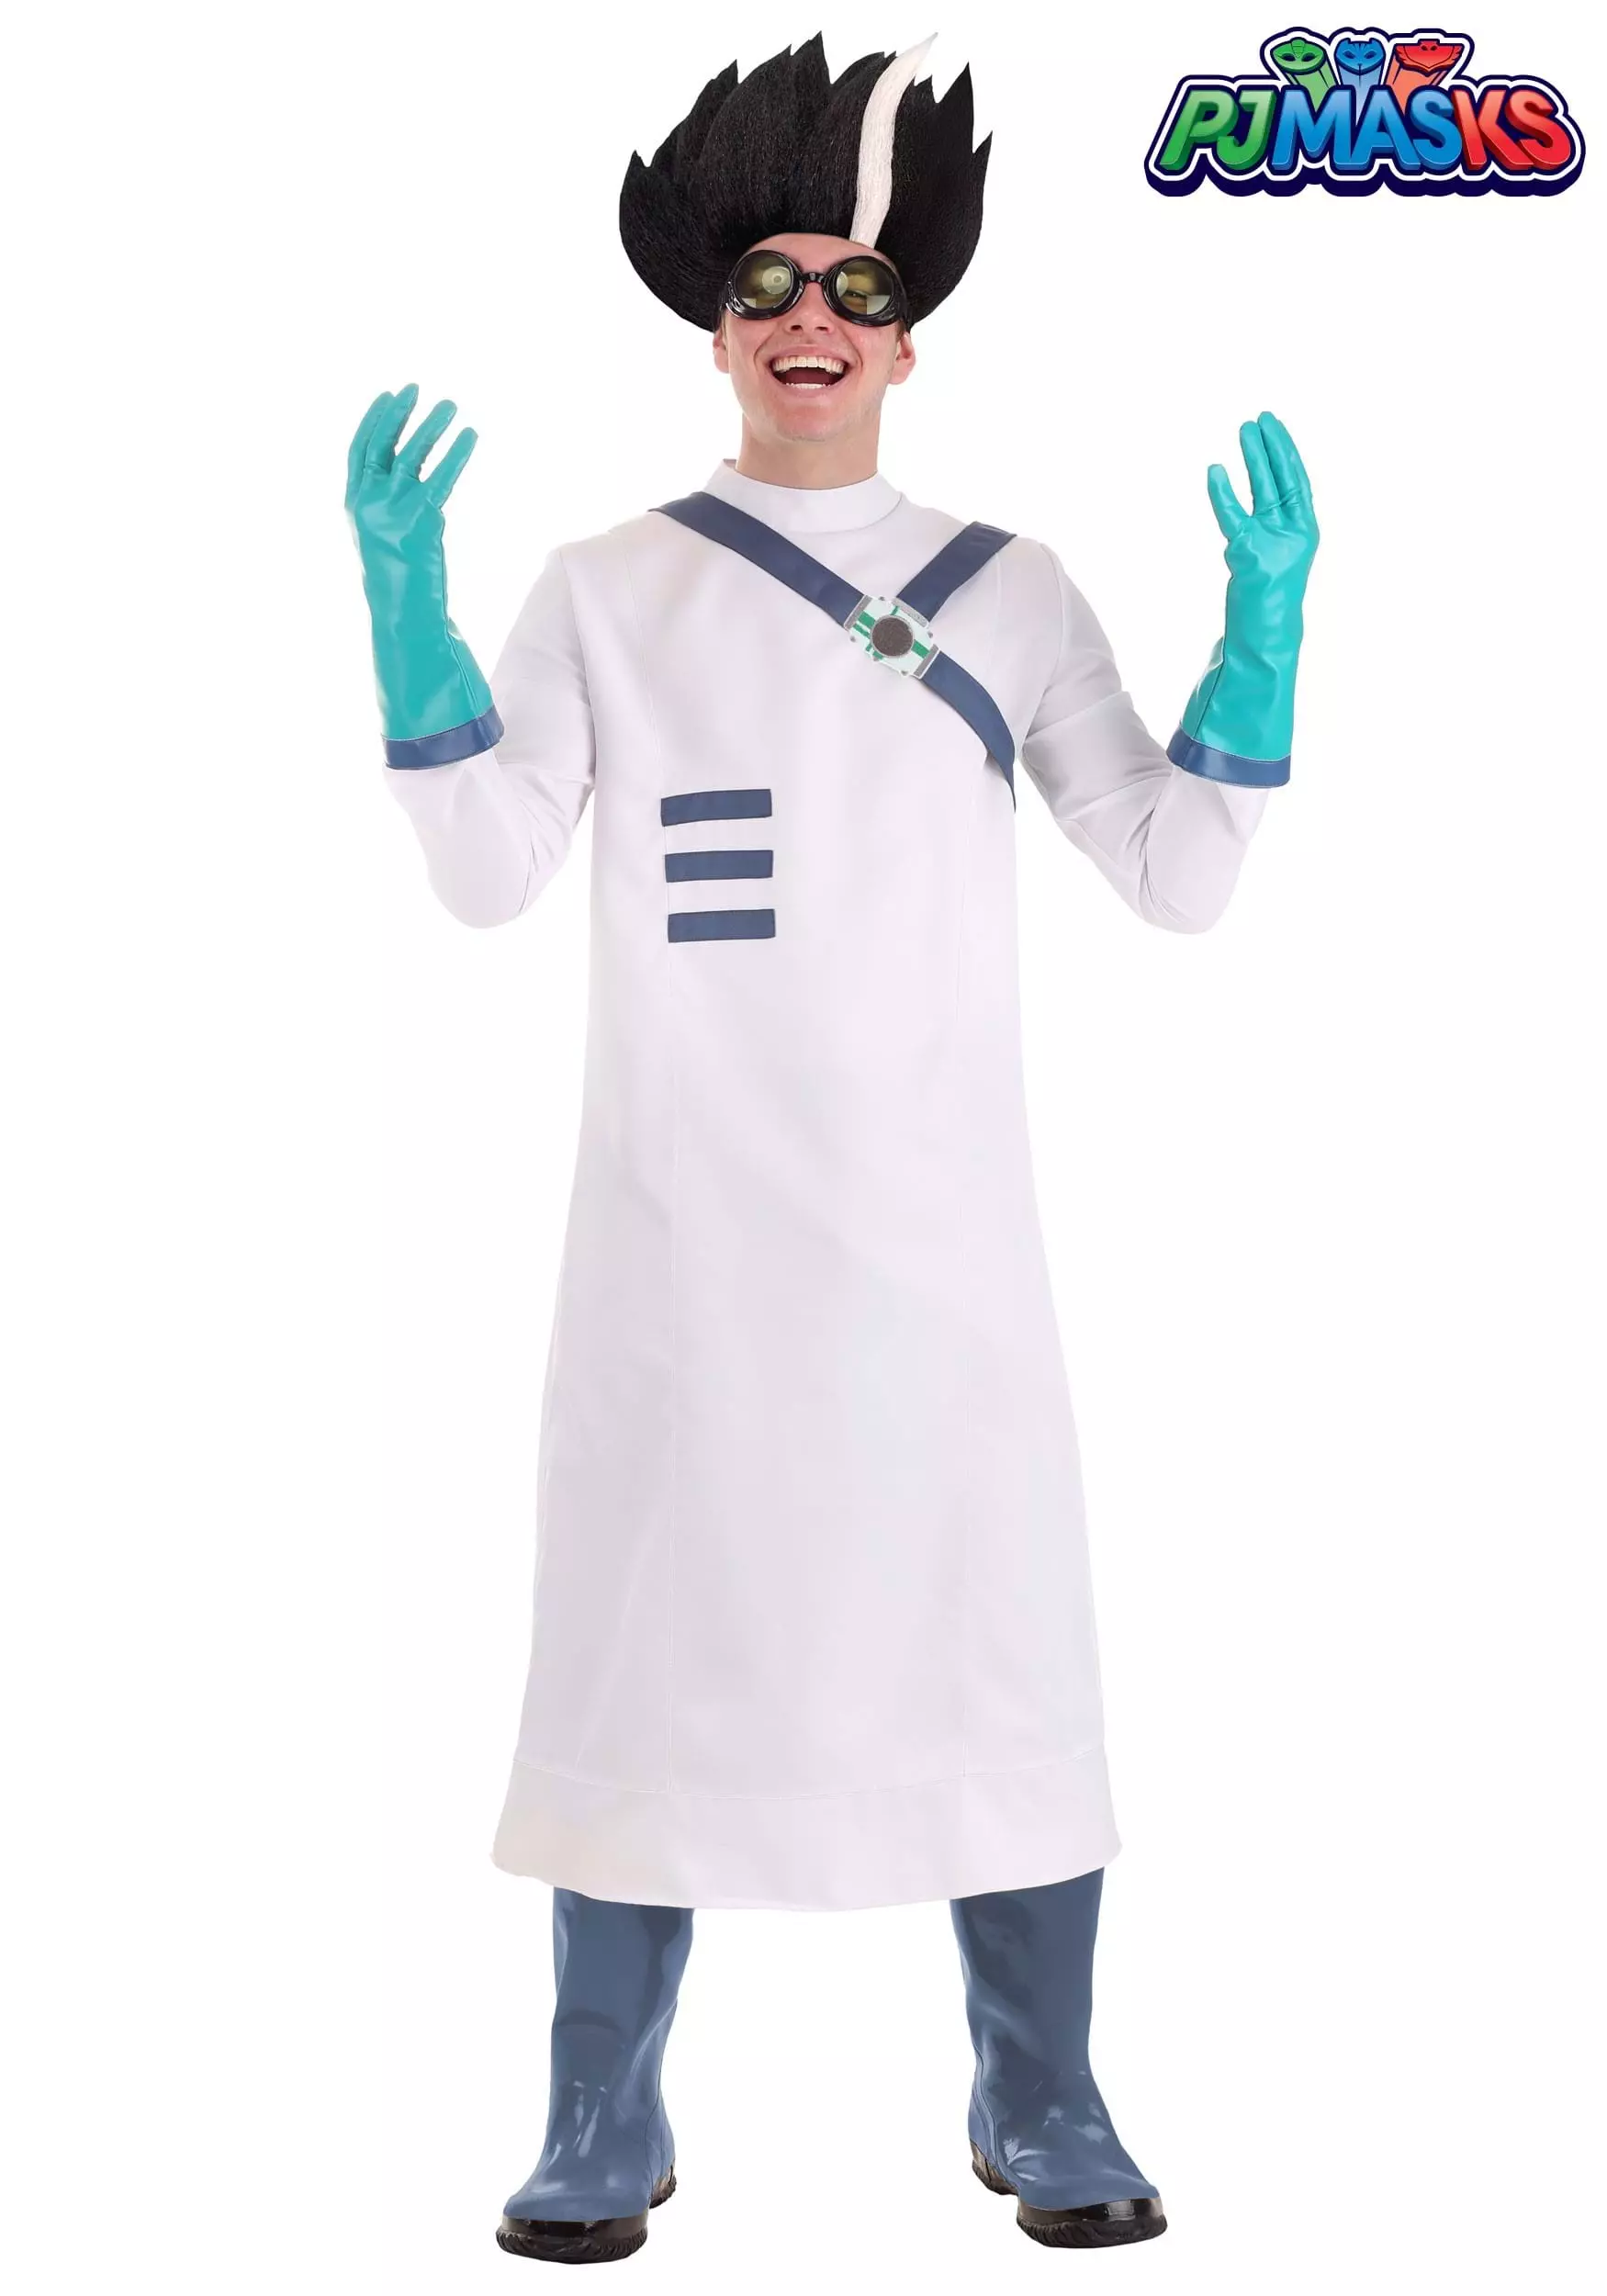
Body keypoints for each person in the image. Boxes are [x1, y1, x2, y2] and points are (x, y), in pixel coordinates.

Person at [343, 32, 1318, 2265]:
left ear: (907, 333)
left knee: (995, 1650)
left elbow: (1171, 877)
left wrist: (1259, 645)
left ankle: (1040, 2083)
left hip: (941, 1263)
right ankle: (599, 2105)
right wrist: (405, 617)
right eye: (766, 282)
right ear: (710, 323)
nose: (809, 316)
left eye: (854, 287)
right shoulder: (609, 584)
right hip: (677, 1257)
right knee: (638, 1654)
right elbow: (488, 871)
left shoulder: (1006, 583)